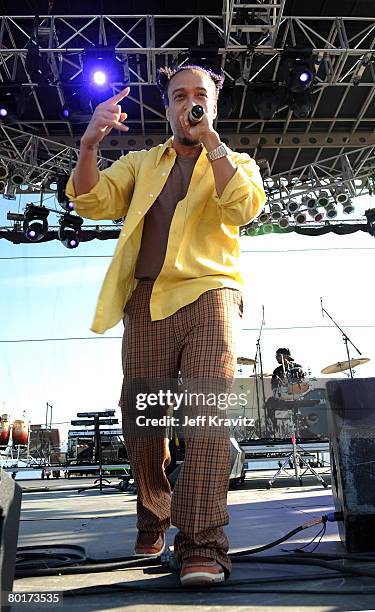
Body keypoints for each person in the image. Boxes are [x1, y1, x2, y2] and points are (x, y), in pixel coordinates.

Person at [66, 63, 265, 586]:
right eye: (179, 96)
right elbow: (89, 199)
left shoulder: (236, 160)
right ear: (167, 106)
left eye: (199, 95)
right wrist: (89, 145)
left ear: (214, 102)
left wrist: (211, 141)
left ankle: (202, 544)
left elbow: (243, 207)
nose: (189, 103)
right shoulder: (141, 164)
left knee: (204, 418)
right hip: (147, 302)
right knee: (144, 422)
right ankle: (155, 512)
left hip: (211, 295)